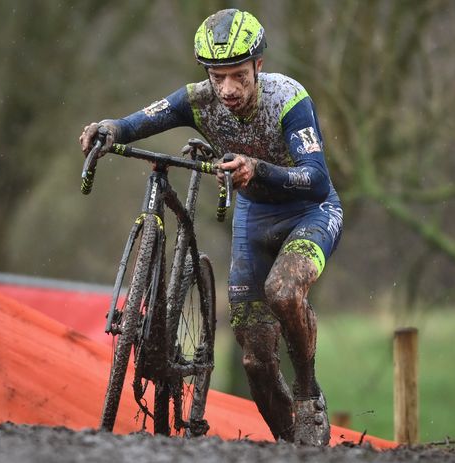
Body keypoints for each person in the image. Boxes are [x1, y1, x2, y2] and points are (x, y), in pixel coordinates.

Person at [79, 9, 342, 446]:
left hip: (310, 213)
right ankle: (295, 449)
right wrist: (110, 128)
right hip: (254, 218)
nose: (228, 89)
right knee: (255, 361)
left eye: (238, 75)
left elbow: (317, 181)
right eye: (217, 77)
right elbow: (146, 118)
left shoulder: (289, 100)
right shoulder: (198, 99)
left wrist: (258, 169)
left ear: (258, 66)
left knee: (283, 290)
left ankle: (308, 390)